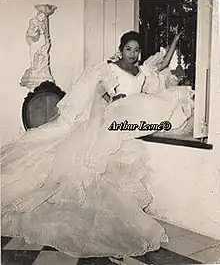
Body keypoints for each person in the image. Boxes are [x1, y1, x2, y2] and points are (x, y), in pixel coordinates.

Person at [1, 30, 194, 259]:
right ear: (121, 49)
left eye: (136, 50)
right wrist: (112, 100)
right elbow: (95, 92)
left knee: (160, 109)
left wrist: (174, 40)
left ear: (139, 52)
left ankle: (114, 214)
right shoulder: (109, 68)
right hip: (117, 114)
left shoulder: (143, 72)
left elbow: (162, 64)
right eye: (128, 49)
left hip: (133, 114)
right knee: (95, 160)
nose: (132, 54)